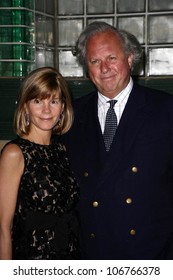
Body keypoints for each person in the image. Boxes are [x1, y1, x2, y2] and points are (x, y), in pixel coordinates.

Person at [60, 21, 173, 260]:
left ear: (130, 58)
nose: (104, 68)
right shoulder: (71, 115)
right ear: (86, 68)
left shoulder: (165, 110)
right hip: (93, 255)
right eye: (94, 61)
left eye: (111, 58)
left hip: (151, 254)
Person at [0, 67, 80, 260]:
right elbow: (3, 226)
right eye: (37, 101)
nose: (46, 110)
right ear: (25, 106)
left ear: (63, 107)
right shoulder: (15, 153)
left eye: (54, 101)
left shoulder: (64, 150)